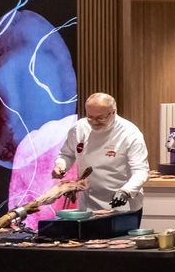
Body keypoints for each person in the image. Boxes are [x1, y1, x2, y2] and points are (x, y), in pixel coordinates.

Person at [49, 92, 149, 230]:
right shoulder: (79, 128)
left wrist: (126, 191)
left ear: (113, 112)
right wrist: (60, 165)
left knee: (119, 247)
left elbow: (141, 170)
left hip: (122, 204)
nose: (94, 122)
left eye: (100, 118)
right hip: (87, 204)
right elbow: (66, 154)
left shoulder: (130, 133)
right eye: (90, 117)